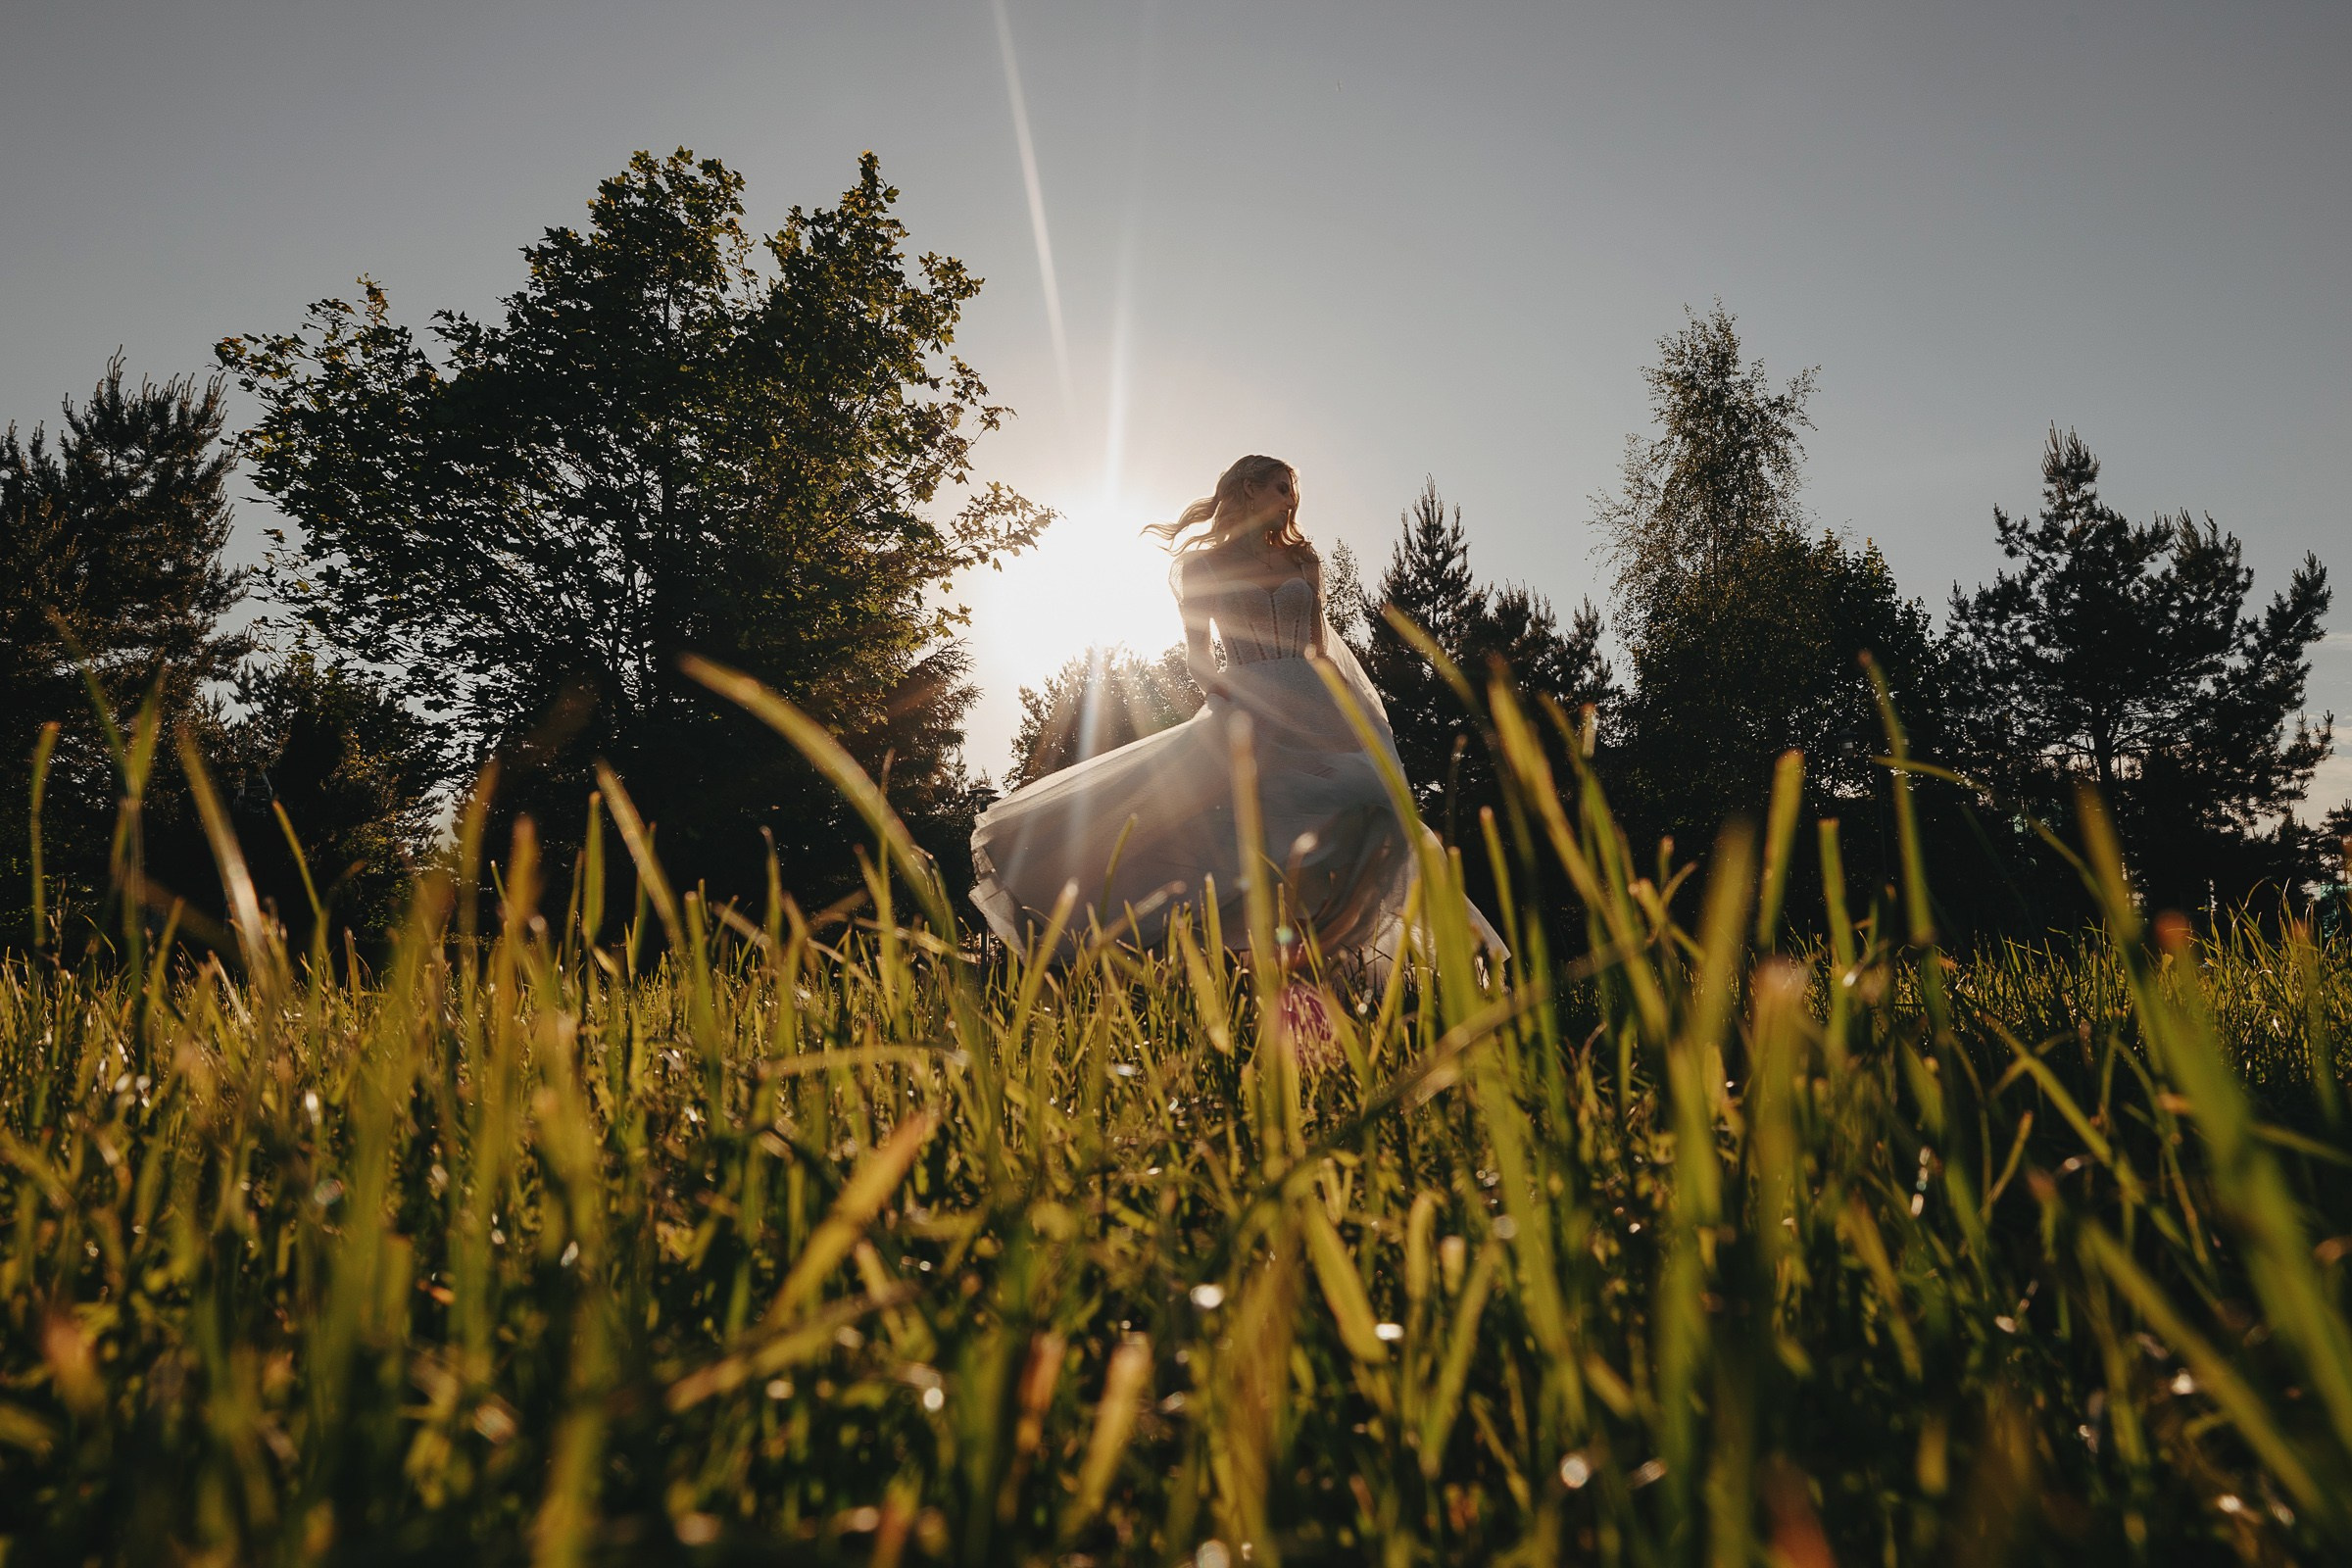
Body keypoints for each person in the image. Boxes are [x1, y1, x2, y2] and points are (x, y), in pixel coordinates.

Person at [968, 454, 1502, 967]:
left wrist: (1349, 717)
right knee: (1235, 834)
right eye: (1282, 488)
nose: (1291, 502)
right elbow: (1199, 655)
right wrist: (1230, 701)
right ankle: (1214, 950)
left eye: (1293, 492)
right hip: (1245, 704)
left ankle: (1339, 948)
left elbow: (1317, 651)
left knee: (1370, 805)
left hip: (1314, 705)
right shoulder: (1202, 566)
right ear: (1250, 488)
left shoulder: (1303, 560)